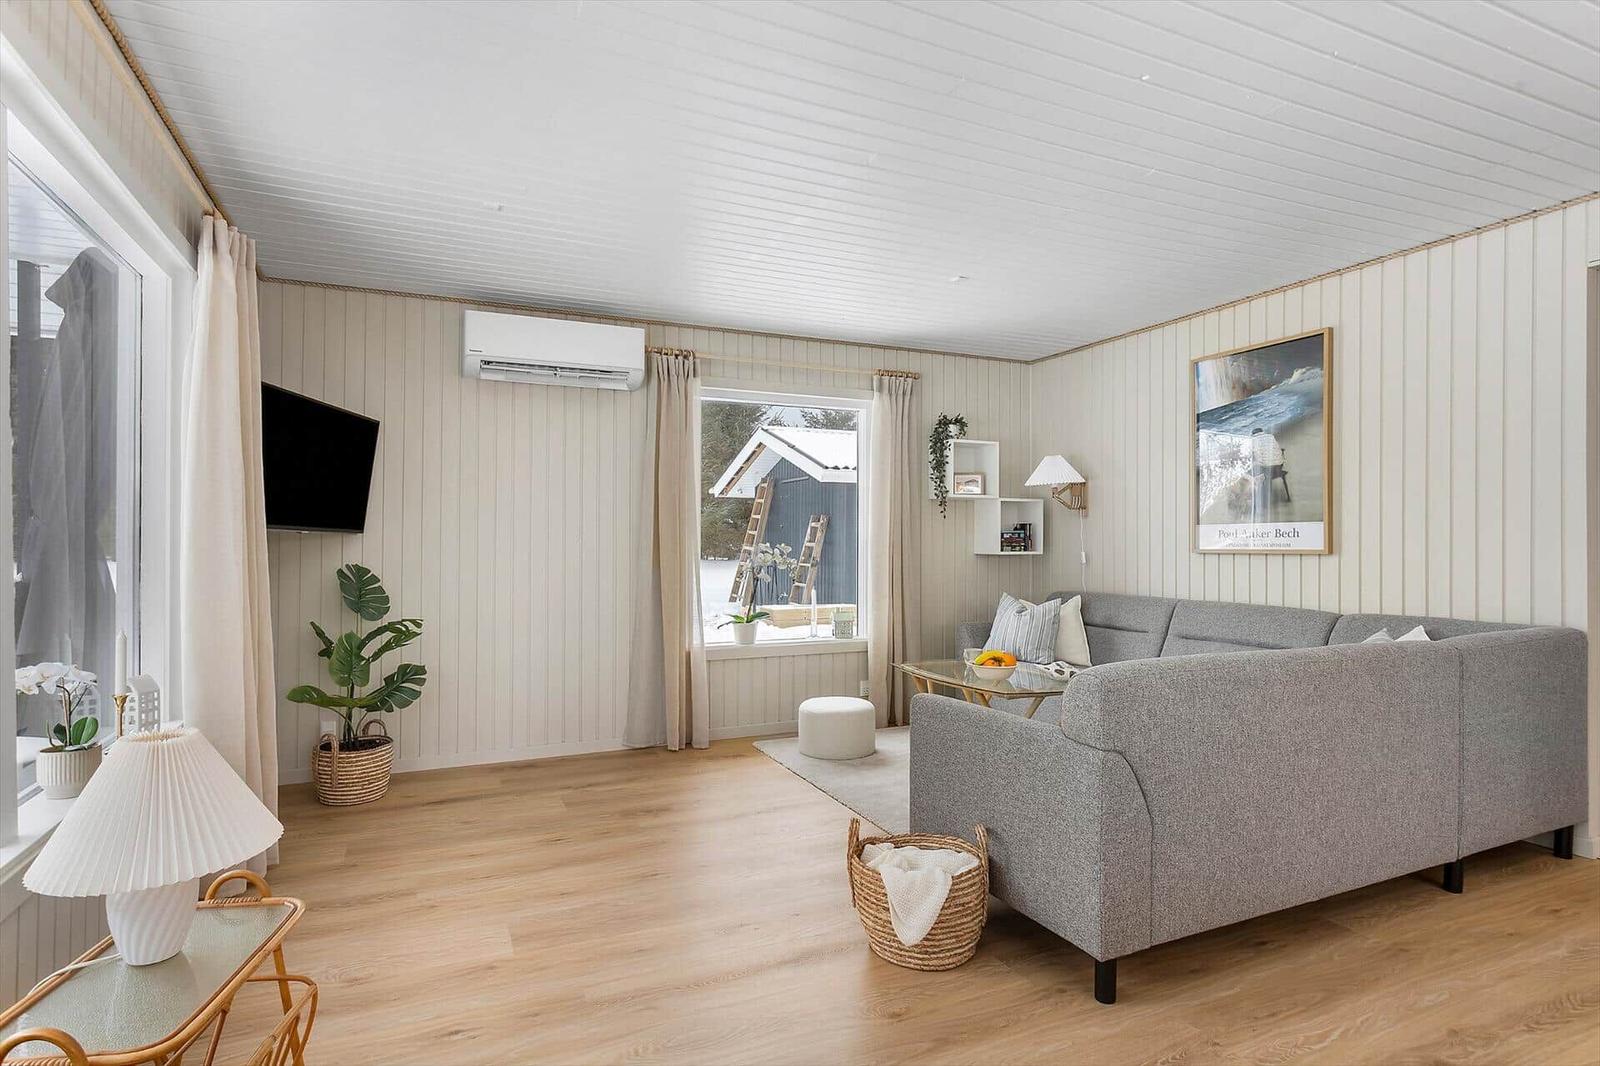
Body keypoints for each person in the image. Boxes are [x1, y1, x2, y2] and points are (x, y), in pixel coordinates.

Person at [1249, 427, 1287, 517]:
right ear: (1262, 432)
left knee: (1252, 471)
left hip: (1267, 469)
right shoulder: (1271, 436)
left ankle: (1259, 501)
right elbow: (1277, 449)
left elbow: (1253, 454)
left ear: (1253, 434)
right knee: (1261, 465)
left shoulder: (1253, 440)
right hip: (1278, 467)